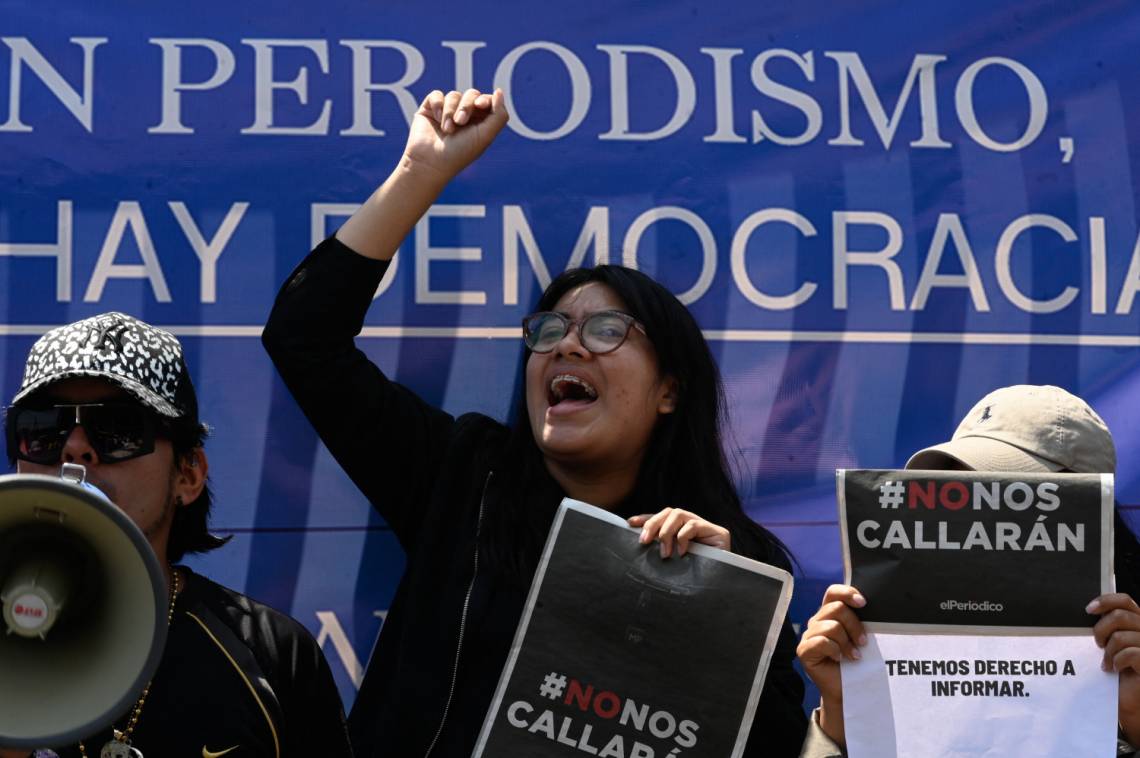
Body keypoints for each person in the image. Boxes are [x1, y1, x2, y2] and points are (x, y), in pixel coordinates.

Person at [262, 88, 807, 756]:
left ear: (669, 391)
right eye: (549, 329)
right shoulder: (464, 477)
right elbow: (303, 337)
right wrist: (420, 172)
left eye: (607, 330)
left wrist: (723, 606)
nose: (567, 346)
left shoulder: (731, 558)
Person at [0, 312, 352, 758]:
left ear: (188, 473)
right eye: (43, 430)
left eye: (118, 429)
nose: (75, 447)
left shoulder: (269, 652)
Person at [796, 384, 1140, 757]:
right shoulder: (890, 648)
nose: (974, 511)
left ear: (1088, 511)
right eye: (955, 486)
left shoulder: (1127, 659)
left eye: (1006, 491)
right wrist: (843, 710)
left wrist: (1135, 717)